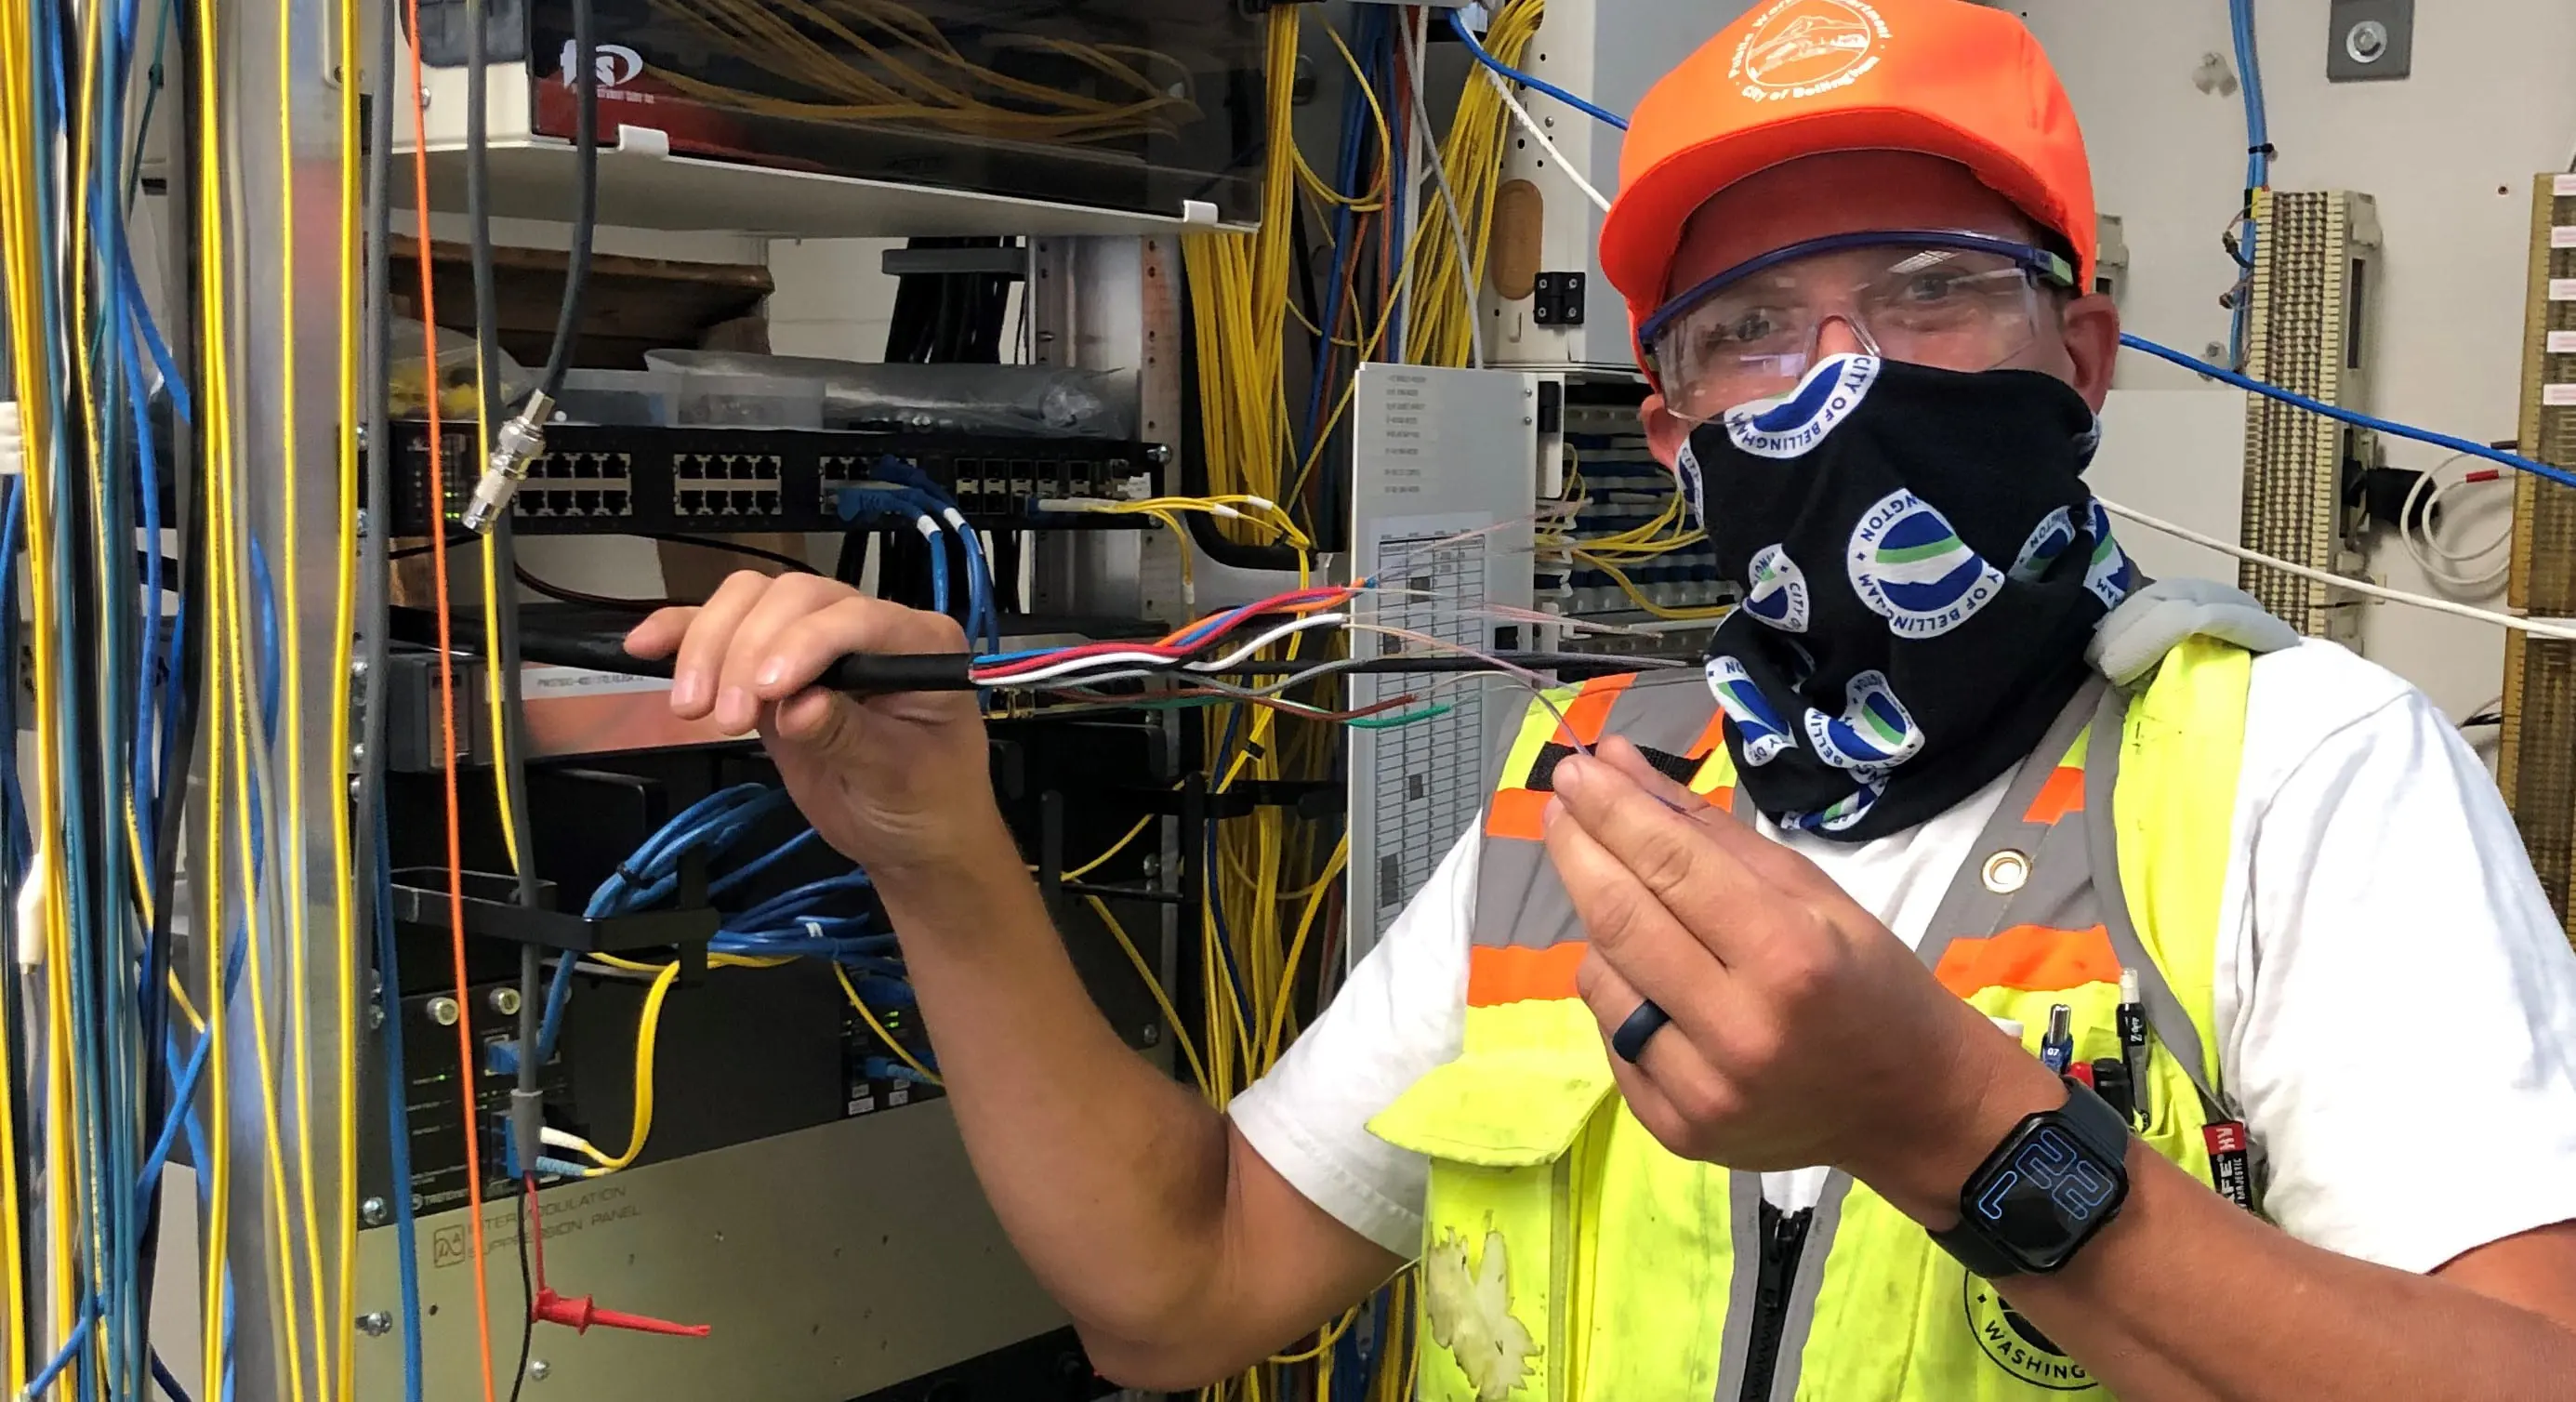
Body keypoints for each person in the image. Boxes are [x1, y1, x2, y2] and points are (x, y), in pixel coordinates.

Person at [625, 1, 2576, 1395]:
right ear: (1670, 428)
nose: (1839, 376)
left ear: (2075, 349)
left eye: (1923, 290)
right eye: (1746, 333)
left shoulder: (2302, 771)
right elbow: (1178, 1285)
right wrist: (941, 862)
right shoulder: (1597, 799)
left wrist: (1957, 1129)